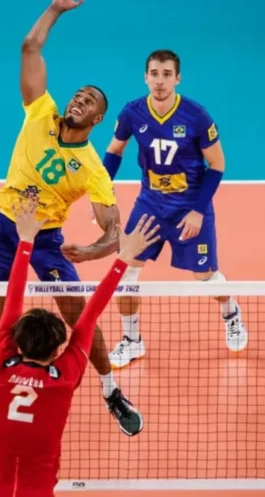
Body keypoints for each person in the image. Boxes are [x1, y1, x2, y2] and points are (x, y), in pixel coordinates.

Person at [0, 0, 143, 437]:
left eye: (89, 101)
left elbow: (114, 231)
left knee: (79, 315)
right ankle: (1, 381)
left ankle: (110, 388)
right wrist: (54, 9)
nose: (78, 99)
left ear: (97, 119)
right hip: (1, 227)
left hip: (45, 242)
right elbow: (30, 46)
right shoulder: (39, 111)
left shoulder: (91, 170)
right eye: (78, 93)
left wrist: (93, 250)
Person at [0, 197, 161, 497]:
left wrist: (25, 239)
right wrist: (123, 260)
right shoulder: (63, 377)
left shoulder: (0, 364)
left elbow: (12, 301)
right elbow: (89, 316)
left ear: (15, 341)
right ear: (57, 350)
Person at [100, 49, 248, 369]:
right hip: (150, 204)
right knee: (127, 271)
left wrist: (197, 211)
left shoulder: (196, 116)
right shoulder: (132, 113)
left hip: (190, 206)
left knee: (205, 275)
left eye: (167, 74)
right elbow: (114, 151)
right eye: (154, 73)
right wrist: (101, 191)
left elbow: (217, 165)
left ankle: (231, 313)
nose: (160, 81)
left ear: (177, 78)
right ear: (145, 77)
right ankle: (131, 340)